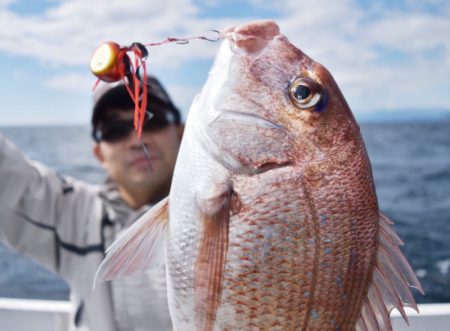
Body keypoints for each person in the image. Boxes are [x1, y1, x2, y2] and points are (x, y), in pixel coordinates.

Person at [0, 76, 183, 331]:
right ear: (99, 154)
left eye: (152, 119)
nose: (137, 139)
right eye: (115, 130)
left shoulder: (236, 210)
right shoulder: (75, 213)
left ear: (182, 131)